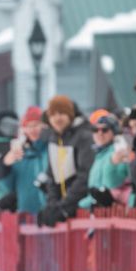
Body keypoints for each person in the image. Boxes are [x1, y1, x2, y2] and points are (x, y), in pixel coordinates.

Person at [37, 94, 95, 226]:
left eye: (62, 113)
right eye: (53, 114)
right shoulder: (54, 138)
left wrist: (63, 205)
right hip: (65, 208)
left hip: (82, 208)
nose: (57, 118)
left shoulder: (84, 136)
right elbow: (52, 175)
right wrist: (53, 205)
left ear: (70, 115)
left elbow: (84, 175)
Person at [0, 106, 48, 216]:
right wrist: (5, 166)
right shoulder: (20, 154)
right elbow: (7, 186)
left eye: (36, 125)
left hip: (51, 216)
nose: (32, 130)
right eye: (28, 126)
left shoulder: (52, 149)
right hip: (27, 216)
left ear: (44, 126)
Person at [79, 114, 131, 208]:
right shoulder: (98, 155)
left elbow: (114, 185)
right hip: (96, 209)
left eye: (105, 130)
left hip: (112, 212)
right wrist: (82, 205)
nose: (100, 133)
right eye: (95, 130)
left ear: (114, 132)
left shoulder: (118, 152)